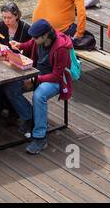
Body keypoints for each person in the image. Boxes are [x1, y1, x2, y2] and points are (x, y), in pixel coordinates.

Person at [8, 19, 74, 155]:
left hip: (56, 80)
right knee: (11, 86)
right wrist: (19, 45)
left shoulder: (61, 48)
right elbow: (29, 44)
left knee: (39, 95)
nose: (33, 38)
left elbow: (57, 75)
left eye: (36, 37)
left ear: (46, 36)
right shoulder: (38, 39)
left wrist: (34, 79)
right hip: (37, 74)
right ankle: (29, 117)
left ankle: (40, 137)